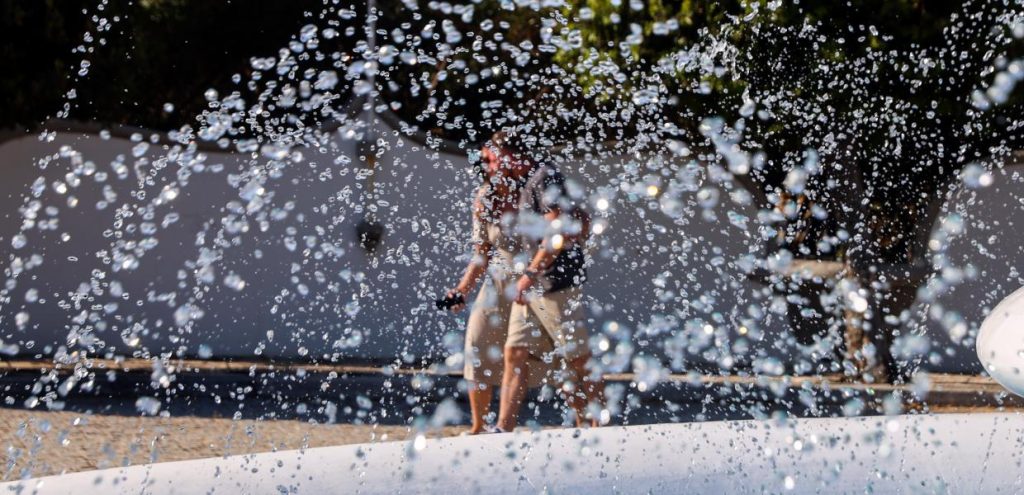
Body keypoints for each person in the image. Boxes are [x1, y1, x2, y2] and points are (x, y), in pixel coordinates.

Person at [484, 131, 605, 432]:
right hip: (536, 284)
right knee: (515, 352)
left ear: (509, 155)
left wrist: (529, 274)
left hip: (554, 283)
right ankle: (503, 427)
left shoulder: (544, 178)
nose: (489, 164)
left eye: (492, 158)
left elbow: (556, 232)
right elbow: (579, 219)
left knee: (576, 358)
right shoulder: (529, 181)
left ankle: (601, 425)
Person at [445, 134, 553, 434]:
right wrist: (461, 291)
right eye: (486, 159)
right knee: (477, 348)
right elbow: (481, 254)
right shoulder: (485, 198)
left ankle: (508, 427)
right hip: (496, 284)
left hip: (533, 285)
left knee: (526, 357)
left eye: (492, 158)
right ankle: (478, 427)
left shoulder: (534, 192)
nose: (487, 165)